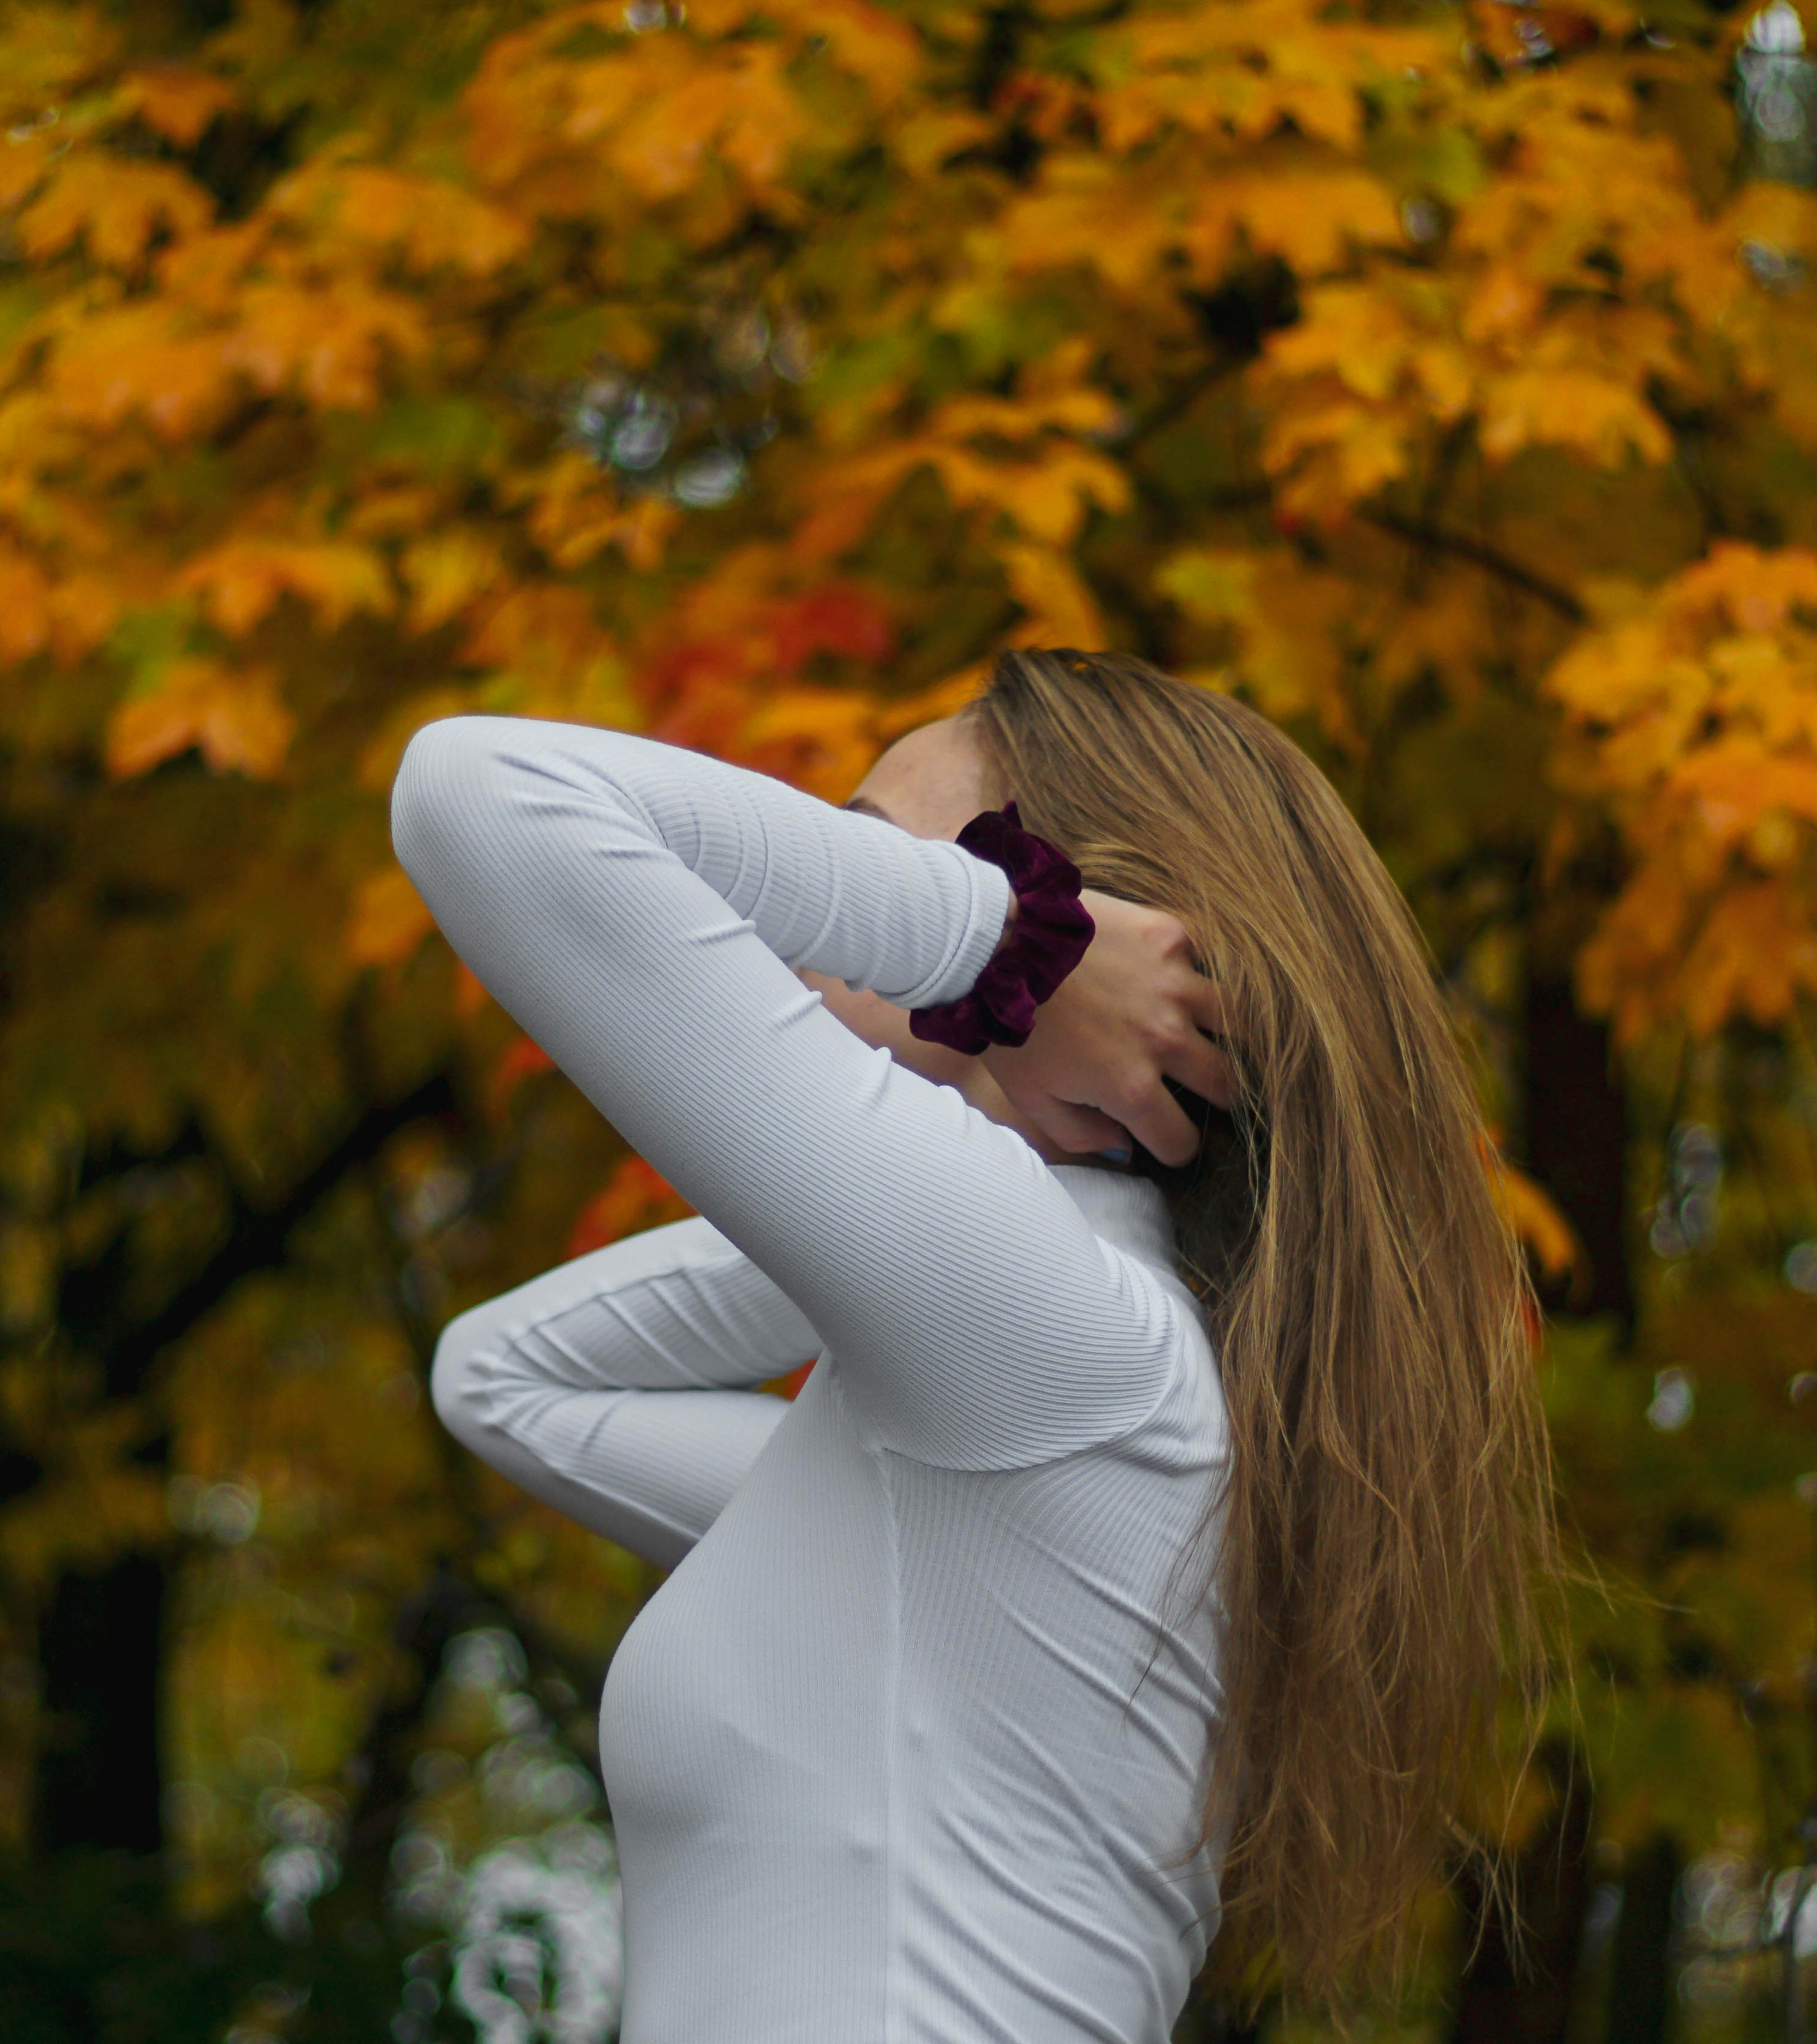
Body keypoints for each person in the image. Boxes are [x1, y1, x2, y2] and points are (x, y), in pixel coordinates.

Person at [393, 648, 1555, 2041]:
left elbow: (473, 788)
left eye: (869, 862)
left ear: (1085, 901)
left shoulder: (1070, 1337)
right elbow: (508, 1377)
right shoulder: (1022, 1383)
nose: (802, 922)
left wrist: (1004, 947)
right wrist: (987, 1021)